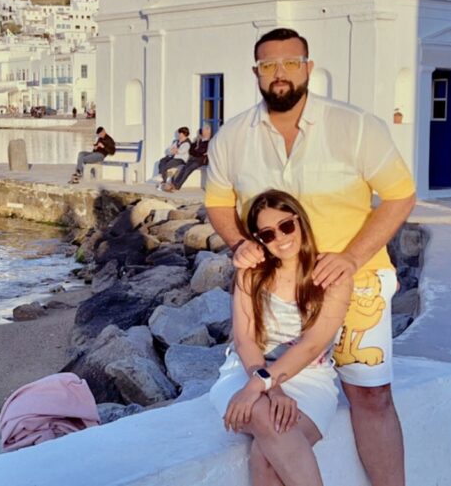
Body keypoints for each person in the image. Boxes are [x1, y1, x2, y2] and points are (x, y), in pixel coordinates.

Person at [206, 27, 416, 486]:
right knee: (275, 418)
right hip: (274, 290)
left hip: (353, 283)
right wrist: (240, 242)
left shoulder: (355, 126)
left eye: (290, 63)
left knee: (372, 396)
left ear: (308, 67)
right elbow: (219, 203)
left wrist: (352, 256)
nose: (279, 74)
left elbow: (400, 195)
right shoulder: (233, 135)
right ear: (256, 73)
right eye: (268, 66)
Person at [210, 190, 350, 486]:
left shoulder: (331, 275)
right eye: (268, 234)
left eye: (286, 226)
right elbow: (246, 341)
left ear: (299, 222)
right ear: (259, 239)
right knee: (265, 414)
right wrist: (269, 388)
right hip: (247, 369)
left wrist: (262, 385)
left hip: (309, 377)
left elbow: (312, 345)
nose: (281, 238)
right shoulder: (251, 274)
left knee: (267, 456)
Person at [165, 124, 211, 191]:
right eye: (202, 130)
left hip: (201, 160)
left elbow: (202, 152)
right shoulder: (199, 140)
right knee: (184, 168)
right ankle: (174, 184)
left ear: (208, 131)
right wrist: (197, 151)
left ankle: (176, 185)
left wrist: (197, 151)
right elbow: (191, 149)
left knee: (188, 169)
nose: (202, 132)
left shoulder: (209, 141)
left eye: (203, 130)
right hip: (193, 158)